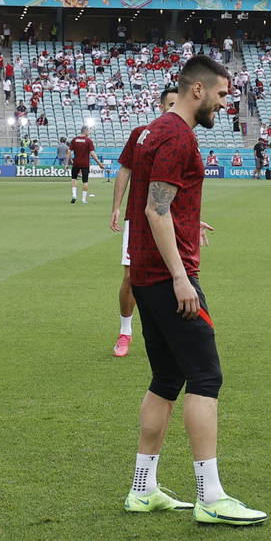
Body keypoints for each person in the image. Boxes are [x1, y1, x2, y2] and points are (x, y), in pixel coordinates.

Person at [122, 54, 266, 525]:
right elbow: (154, 209)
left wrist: (186, 220)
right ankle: (211, 496)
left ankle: (143, 489)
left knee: (166, 379)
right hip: (170, 277)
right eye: (222, 95)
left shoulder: (149, 130)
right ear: (198, 90)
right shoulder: (177, 135)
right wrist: (183, 277)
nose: (225, 104)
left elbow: (157, 200)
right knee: (206, 378)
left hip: (145, 274)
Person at [110, 87, 178, 358]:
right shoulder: (140, 135)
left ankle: (169, 332)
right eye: (170, 104)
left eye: (178, 103)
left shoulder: (183, 138)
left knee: (174, 274)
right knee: (130, 276)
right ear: (161, 106)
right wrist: (116, 207)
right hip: (138, 218)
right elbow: (125, 169)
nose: (174, 108)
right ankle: (125, 331)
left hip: (171, 219)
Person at [68, 125, 105, 205]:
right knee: (85, 181)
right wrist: (99, 163)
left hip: (76, 163)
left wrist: (67, 161)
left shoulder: (74, 140)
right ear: (85, 131)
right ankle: (83, 199)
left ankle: (74, 195)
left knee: (74, 179)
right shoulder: (88, 141)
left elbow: (69, 151)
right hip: (85, 164)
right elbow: (92, 153)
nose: (89, 132)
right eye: (88, 131)